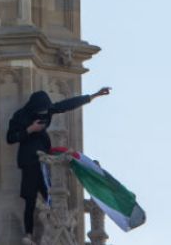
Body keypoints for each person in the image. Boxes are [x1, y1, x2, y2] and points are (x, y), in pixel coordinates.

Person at [7, 87, 111, 240]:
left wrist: (93, 96)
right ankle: (29, 233)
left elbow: (67, 105)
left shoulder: (48, 110)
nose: (44, 114)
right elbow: (10, 138)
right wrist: (30, 129)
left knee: (50, 196)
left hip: (45, 159)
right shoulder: (20, 116)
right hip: (29, 161)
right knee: (30, 199)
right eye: (41, 111)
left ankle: (57, 231)